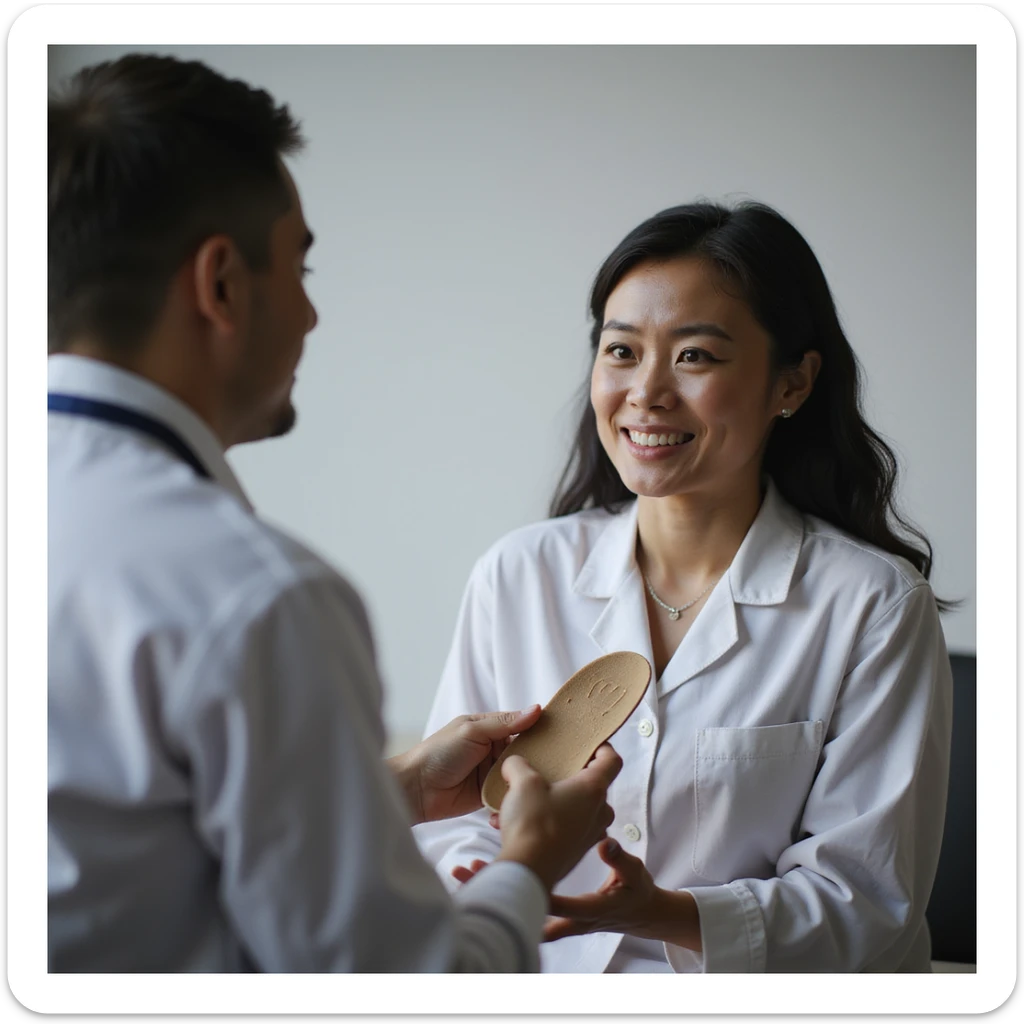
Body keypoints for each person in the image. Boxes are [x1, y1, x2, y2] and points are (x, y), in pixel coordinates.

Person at [47, 52, 623, 973]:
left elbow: (120, 840)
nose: (312, 316)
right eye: (300, 266)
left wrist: (385, 791)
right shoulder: (258, 598)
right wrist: (531, 864)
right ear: (222, 285)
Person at [412, 201, 955, 973]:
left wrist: (664, 913)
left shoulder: (872, 606)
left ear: (793, 383)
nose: (647, 392)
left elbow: (868, 902)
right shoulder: (519, 573)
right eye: (622, 350)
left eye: (695, 356)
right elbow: (454, 824)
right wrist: (489, 887)